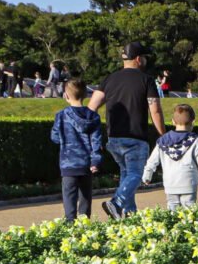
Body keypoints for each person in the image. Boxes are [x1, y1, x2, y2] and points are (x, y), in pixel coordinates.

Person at [89, 41, 165, 220]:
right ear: (138, 59)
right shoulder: (146, 80)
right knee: (136, 175)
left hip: (114, 138)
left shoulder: (109, 79)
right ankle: (116, 202)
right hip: (135, 137)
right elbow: (155, 109)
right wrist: (162, 134)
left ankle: (129, 215)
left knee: (126, 174)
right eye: (145, 57)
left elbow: (92, 107)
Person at [50, 79, 104, 220]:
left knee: (69, 196)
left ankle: (70, 223)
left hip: (68, 163)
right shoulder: (94, 117)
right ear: (86, 94)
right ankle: (84, 224)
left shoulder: (61, 116)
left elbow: (55, 137)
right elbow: (96, 141)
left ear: (65, 96)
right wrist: (95, 161)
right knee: (85, 196)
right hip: (86, 164)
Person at [142, 104, 198, 211]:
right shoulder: (196, 141)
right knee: (189, 212)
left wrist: (147, 175)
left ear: (173, 121)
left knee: (172, 211)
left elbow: (152, 161)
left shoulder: (163, 141)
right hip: (188, 183)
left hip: (170, 184)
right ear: (193, 122)